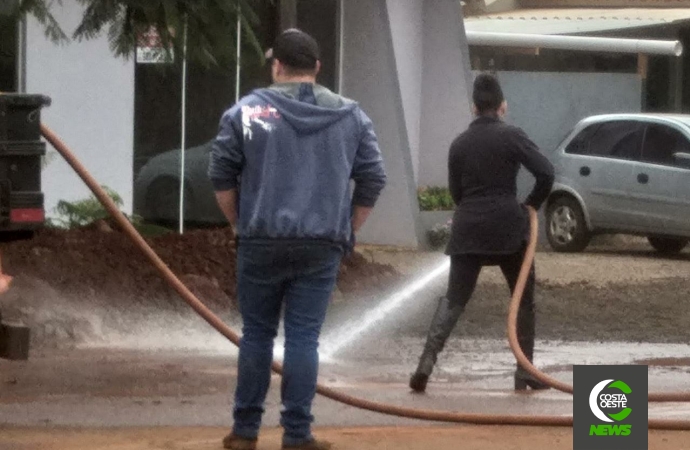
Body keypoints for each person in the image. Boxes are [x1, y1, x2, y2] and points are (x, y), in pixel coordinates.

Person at [208, 28, 386, 450]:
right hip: (321, 244)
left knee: (256, 335)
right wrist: (348, 229)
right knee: (304, 339)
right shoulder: (351, 116)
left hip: (261, 240)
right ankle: (297, 435)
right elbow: (373, 178)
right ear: (317, 68)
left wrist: (240, 224)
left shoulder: (249, 112)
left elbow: (220, 175)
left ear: (277, 66)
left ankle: (245, 431)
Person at [409, 73, 555, 393]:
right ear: (502, 106)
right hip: (509, 230)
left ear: (473, 107)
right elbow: (546, 172)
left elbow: (456, 193)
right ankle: (525, 371)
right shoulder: (512, 136)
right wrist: (529, 205)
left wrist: (473, 212)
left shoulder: (459, 144)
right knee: (524, 298)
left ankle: (425, 364)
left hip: (468, 229)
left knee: (454, 298)